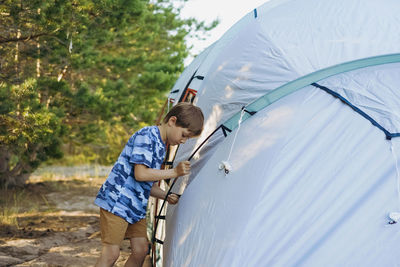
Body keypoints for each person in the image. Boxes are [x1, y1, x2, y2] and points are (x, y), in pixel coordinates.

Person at [93, 102, 204, 267]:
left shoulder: (161, 145)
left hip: (135, 206)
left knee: (140, 250)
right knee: (111, 254)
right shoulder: (147, 136)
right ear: (172, 121)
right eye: (184, 135)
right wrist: (174, 172)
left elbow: (147, 183)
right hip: (117, 202)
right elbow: (141, 174)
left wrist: (166, 196)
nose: (183, 141)